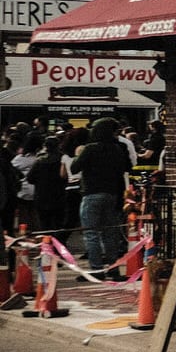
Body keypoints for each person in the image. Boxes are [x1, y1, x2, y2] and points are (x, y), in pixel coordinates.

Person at [69, 118, 134, 278]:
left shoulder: (90, 149)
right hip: (112, 194)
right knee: (110, 233)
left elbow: (74, 167)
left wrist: (78, 154)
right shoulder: (118, 149)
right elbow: (125, 168)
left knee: (91, 233)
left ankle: (96, 269)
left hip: (91, 193)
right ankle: (114, 268)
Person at [27, 135, 66, 235]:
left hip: (41, 195)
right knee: (58, 223)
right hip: (59, 195)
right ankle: (59, 243)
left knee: (44, 224)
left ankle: (47, 245)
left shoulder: (39, 161)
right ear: (59, 145)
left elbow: (30, 178)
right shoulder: (62, 159)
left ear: (45, 146)